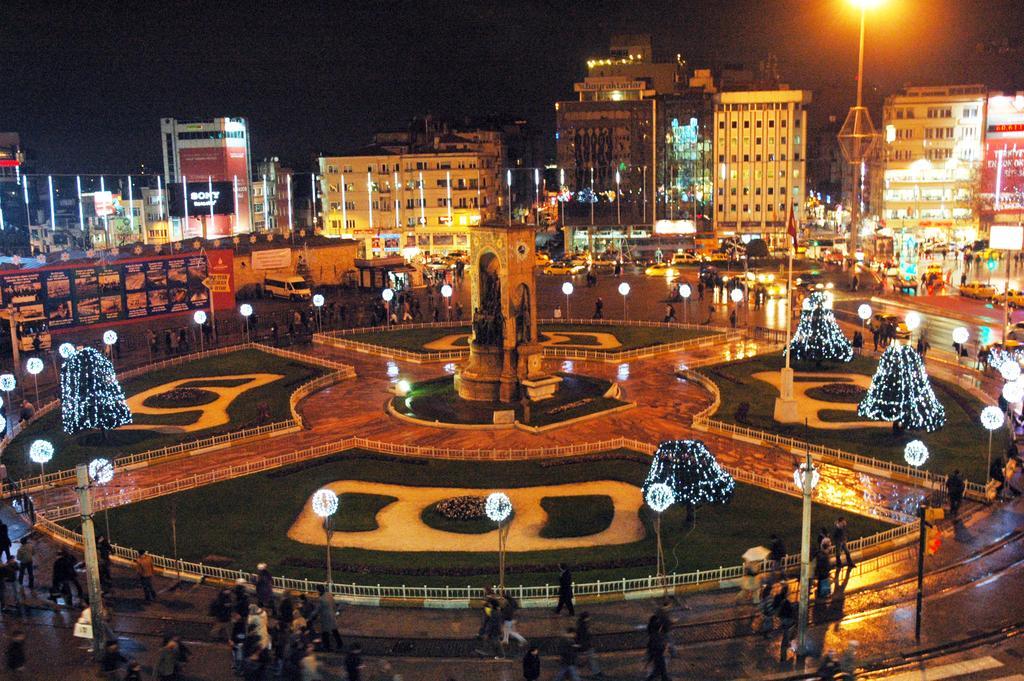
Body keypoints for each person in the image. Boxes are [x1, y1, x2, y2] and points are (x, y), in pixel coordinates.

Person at [311, 584, 342, 652]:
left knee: (325, 632)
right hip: (331, 615)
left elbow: (317, 609)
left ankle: (327, 646)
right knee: (334, 630)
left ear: (319, 591)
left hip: (325, 617)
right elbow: (333, 603)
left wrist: (310, 616)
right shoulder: (329, 595)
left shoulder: (321, 599)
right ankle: (339, 643)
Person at [575, 611, 601, 677]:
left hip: (584, 646)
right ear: (586, 618)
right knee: (587, 660)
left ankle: (596, 672)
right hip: (585, 646)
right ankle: (596, 673)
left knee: (590, 659)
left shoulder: (581, 624)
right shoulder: (583, 626)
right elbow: (583, 637)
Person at [645, 615, 670, 681]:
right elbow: (658, 645)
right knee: (660, 669)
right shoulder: (657, 636)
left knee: (659, 670)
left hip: (657, 654)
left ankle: (664, 678)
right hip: (659, 654)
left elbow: (650, 646)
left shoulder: (652, 633)